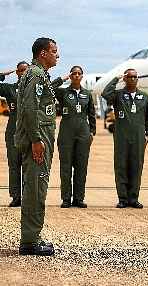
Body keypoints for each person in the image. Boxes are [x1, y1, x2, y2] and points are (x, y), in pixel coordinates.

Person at [15, 37, 59, 256]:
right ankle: (30, 242)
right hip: (38, 139)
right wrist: (35, 140)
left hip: (40, 137)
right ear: (43, 53)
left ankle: (33, 236)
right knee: (35, 188)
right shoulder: (36, 75)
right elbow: (30, 109)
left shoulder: (37, 74)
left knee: (36, 186)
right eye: (54, 51)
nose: (57, 54)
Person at [101, 68, 148, 209]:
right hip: (121, 137)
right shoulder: (118, 95)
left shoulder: (144, 97)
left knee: (136, 167)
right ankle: (123, 198)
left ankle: (133, 198)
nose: (132, 79)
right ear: (125, 79)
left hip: (138, 138)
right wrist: (116, 79)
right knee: (121, 166)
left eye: (134, 77)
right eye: (129, 77)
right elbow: (105, 93)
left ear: (137, 79)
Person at [52, 66, 96, 208]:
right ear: (71, 76)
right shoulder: (63, 92)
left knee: (81, 167)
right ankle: (66, 199)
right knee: (65, 167)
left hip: (83, 134)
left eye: (79, 73)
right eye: (74, 74)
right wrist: (62, 78)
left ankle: (79, 198)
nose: (76, 76)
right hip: (66, 133)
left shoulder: (87, 94)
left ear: (82, 76)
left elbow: (92, 114)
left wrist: (92, 132)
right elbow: (49, 88)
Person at [0, 61, 29, 207]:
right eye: (21, 70)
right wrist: (1, 75)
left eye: (26, 70)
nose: (23, 72)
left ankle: (28, 197)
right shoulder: (10, 89)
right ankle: (16, 196)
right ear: (17, 73)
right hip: (13, 131)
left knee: (28, 166)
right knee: (14, 165)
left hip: (29, 132)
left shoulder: (35, 90)